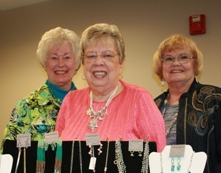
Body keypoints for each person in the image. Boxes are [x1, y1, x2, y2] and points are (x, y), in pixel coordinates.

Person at [153, 34, 221, 173]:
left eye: (184, 57)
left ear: (195, 65)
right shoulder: (153, 106)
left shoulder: (216, 99)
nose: (176, 63)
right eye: (168, 58)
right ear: (160, 67)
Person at [56, 23, 166, 151]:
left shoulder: (139, 99)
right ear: (83, 63)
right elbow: (57, 155)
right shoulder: (70, 101)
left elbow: (159, 156)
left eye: (107, 55)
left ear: (120, 63)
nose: (98, 62)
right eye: (91, 56)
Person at [1, 27, 80, 149]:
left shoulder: (88, 106)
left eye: (67, 57)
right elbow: (9, 155)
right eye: (54, 57)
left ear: (76, 62)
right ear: (44, 64)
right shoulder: (26, 107)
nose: (60, 64)